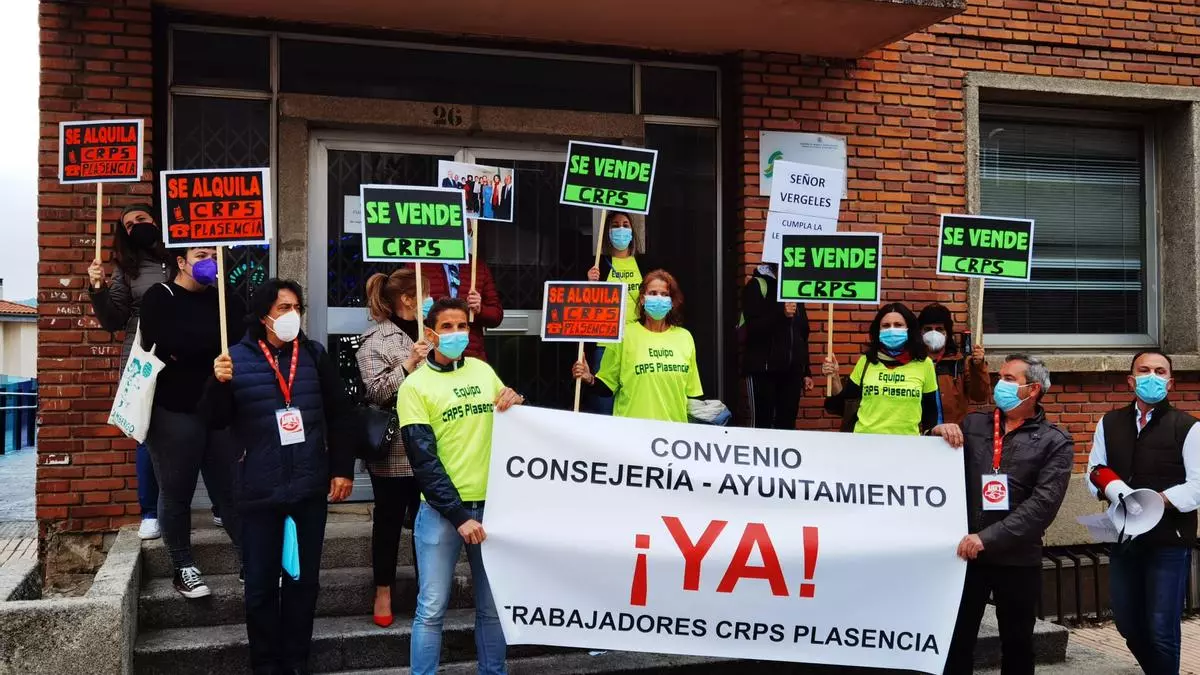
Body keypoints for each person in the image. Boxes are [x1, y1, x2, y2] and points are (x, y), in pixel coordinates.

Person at [205, 279, 356, 675]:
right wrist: (217, 383)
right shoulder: (234, 359)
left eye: (296, 307)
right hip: (258, 490)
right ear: (263, 315)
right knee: (259, 586)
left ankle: (296, 661)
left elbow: (341, 415)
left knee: (302, 584)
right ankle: (266, 664)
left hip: (307, 486)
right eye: (283, 308)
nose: (292, 315)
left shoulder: (314, 355)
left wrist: (342, 468)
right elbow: (215, 419)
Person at [399, 297, 524, 675]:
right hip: (441, 514)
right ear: (430, 333)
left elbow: (513, 423)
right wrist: (458, 515)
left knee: (492, 608)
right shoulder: (415, 386)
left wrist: (517, 400)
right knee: (431, 609)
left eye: (462, 327)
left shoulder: (484, 372)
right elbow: (424, 461)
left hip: (491, 508)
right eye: (447, 327)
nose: (456, 334)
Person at [942, 354, 1073, 675]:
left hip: (1016, 558)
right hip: (966, 555)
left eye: (1010, 379)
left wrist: (986, 538)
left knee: (1017, 645)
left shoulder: (1055, 441)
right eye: (1000, 377)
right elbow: (936, 473)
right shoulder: (974, 424)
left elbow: (1042, 506)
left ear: (1033, 390)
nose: (1000, 384)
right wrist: (937, 432)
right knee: (956, 641)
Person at [139, 246, 245, 599]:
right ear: (181, 263)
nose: (209, 262)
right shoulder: (160, 296)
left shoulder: (225, 300)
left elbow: (240, 340)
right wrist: (208, 348)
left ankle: (250, 560)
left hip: (219, 412)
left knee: (230, 491)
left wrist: (193, 348)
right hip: (173, 411)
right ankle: (183, 566)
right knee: (176, 492)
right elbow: (164, 341)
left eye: (213, 255)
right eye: (200, 255)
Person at [1087, 351, 1200, 675]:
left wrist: (1156, 500)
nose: (1152, 376)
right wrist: (1110, 489)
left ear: (1171, 382)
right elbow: (1094, 470)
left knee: (1161, 628)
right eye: (1145, 370)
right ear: (1131, 380)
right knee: (1127, 622)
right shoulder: (1109, 423)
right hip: (1125, 539)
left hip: (1168, 541)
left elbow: (1197, 485)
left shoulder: (1188, 427)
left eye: (1160, 371)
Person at [87, 204, 169, 540]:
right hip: (142, 357)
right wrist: (98, 289)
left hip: (185, 354)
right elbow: (113, 320)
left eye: (142, 220)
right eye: (129, 224)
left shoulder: (180, 257)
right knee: (145, 433)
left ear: (157, 221)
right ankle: (150, 513)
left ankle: (220, 505)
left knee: (199, 428)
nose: (137, 226)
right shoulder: (126, 269)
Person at [356, 269, 431, 628]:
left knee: (426, 524)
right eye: (425, 294)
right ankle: (383, 590)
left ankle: (427, 590)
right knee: (388, 522)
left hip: (431, 447)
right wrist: (410, 363)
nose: (429, 301)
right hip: (395, 448)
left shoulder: (432, 333)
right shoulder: (376, 340)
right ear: (407, 299)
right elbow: (377, 392)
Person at [572, 269, 702, 423]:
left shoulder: (685, 338)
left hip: (673, 433)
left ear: (672, 301)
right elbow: (607, 387)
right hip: (632, 432)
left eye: (664, 294)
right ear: (642, 299)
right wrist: (589, 378)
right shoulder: (624, 335)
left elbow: (691, 394)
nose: (658, 298)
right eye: (653, 293)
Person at [822, 302, 946, 437]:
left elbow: (930, 412)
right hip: (864, 441)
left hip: (906, 444)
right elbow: (842, 406)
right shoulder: (866, 362)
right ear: (878, 330)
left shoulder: (924, 364)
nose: (892, 330)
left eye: (898, 325)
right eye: (886, 326)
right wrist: (834, 377)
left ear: (909, 329)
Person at [583, 211, 660, 414]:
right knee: (604, 406)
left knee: (636, 400)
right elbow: (583, 305)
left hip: (637, 344)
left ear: (632, 232)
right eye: (615, 225)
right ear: (607, 232)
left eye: (625, 225)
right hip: (606, 345)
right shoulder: (597, 265)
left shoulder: (644, 265)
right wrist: (589, 284)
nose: (621, 229)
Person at [740, 262, 814, 429]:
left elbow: (802, 333)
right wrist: (781, 314)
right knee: (762, 426)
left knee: (787, 426)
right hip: (763, 371)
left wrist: (806, 371)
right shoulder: (757, 286)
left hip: (792, 373)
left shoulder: (795, 289)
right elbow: (753, 328)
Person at [415, 231, 503, 361]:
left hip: (471, 354)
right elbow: (405, 307)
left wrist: (480, 309)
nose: (465, 234)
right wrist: (419, 311)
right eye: (460, 229)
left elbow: (496, 316)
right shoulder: (420, 264)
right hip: (431, 353)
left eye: (469, 231)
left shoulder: (478, 266)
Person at [918, 303, 989, 425]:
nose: (934, 334)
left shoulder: (960, 362)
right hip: (920, 434)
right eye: (928, 329)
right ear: (920, 332)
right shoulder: (912, 363)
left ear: (947, 333)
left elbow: (980, 396)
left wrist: (977, 366)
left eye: (939, 329)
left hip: (953, 433)